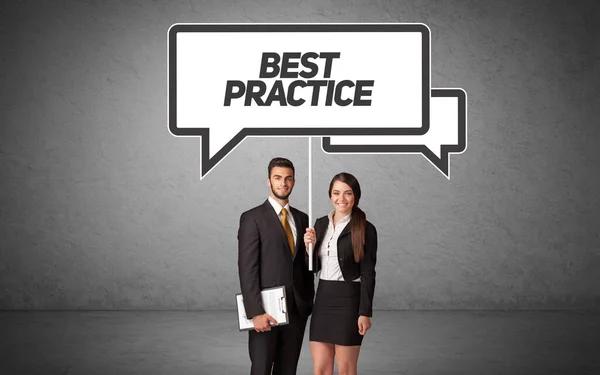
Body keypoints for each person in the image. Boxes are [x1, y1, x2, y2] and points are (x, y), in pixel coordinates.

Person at [238, 157, 314, 375]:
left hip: (296, 311)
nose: (283, 183)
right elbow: (247, 268)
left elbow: (305, 265)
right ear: (268, 181)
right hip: (266, 311)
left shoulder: (302, 218)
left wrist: (311, 251)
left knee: (287, 370)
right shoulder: (252, 218)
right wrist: (256, 312)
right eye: (278, 178)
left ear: (294, 181)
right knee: (261, 368)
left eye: (288, 178)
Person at [303, 172, 377, 375]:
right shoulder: (319, 224)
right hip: (324, 297)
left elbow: (368, 273)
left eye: (347, 193)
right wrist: (309, 249)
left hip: (349, 300)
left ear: (356, 197)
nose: (341, 199)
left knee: (345, 369)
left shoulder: (365, 229)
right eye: (336, 193)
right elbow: (314, 267)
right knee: (321, 369)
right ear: (330, 195)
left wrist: (364, 312)